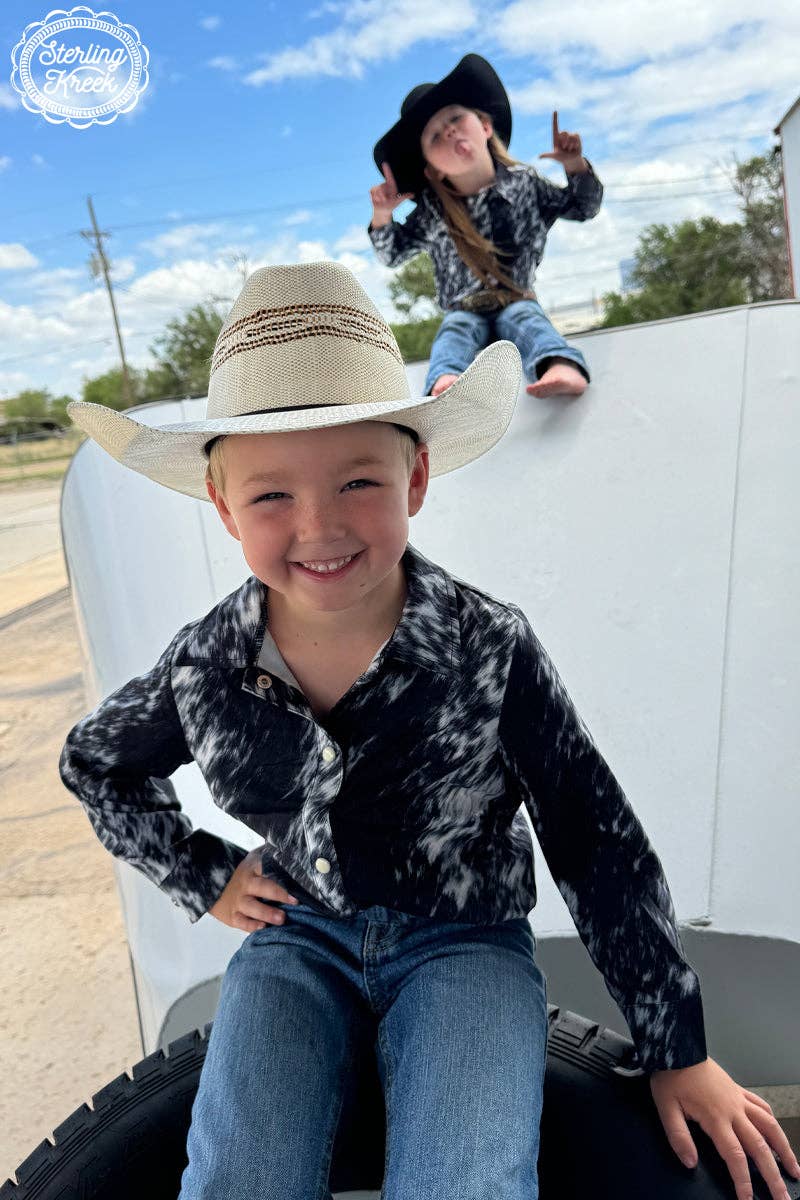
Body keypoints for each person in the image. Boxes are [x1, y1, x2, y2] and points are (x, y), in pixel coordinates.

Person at [59, 261, 799, 1200]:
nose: (320, 526)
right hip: (298, 937)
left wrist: (675, 1048)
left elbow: (593, 838)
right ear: (222, 506)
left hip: (462, 942)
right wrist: (201, 872)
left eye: (358, 479)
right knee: (235, 1176)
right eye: (272, 495)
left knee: (468, 1182)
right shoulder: (205, 663)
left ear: (415, 478)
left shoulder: (487, 647)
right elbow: (97, 763)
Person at [369, 52, 601, 400]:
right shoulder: (434, 210)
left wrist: (575, 165)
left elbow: (583, 207)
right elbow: (392, 254)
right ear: (432, 169)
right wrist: (383, 214)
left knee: (527, 320)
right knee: (454, 333)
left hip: (516, 298)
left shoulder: (525, 183)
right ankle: (446, 382)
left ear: (485, 126)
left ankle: (560, 364)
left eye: (455, 118)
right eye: (434, 137)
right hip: (464, 309)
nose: (448, 130)